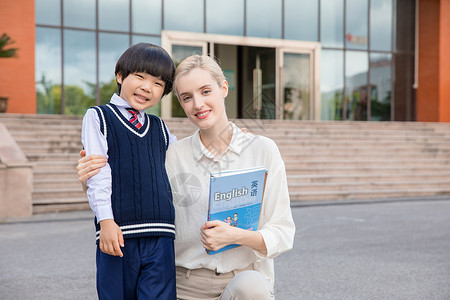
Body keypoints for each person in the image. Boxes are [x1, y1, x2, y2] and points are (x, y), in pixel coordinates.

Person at [78, 55, 295, 300]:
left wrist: (236, 236)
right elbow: (132, 182)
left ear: (223, 88)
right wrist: (89, 178)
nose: (198, 104)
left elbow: (283, 233)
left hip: (240, 282)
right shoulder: (171, 154)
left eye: (205, 91)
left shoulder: (262, 150)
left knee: (252, 288)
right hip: (183, 286)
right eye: (187, 97)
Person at [81, 43, 177, 299]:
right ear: (120, 76)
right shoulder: (99, 117)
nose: (148, 87)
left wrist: (229, 138)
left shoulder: (161, 128)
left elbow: (188, 158)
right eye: (140, 76)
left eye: (158, 83)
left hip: (161, 234)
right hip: (118, 234)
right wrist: (106, 221)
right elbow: (98, 173)